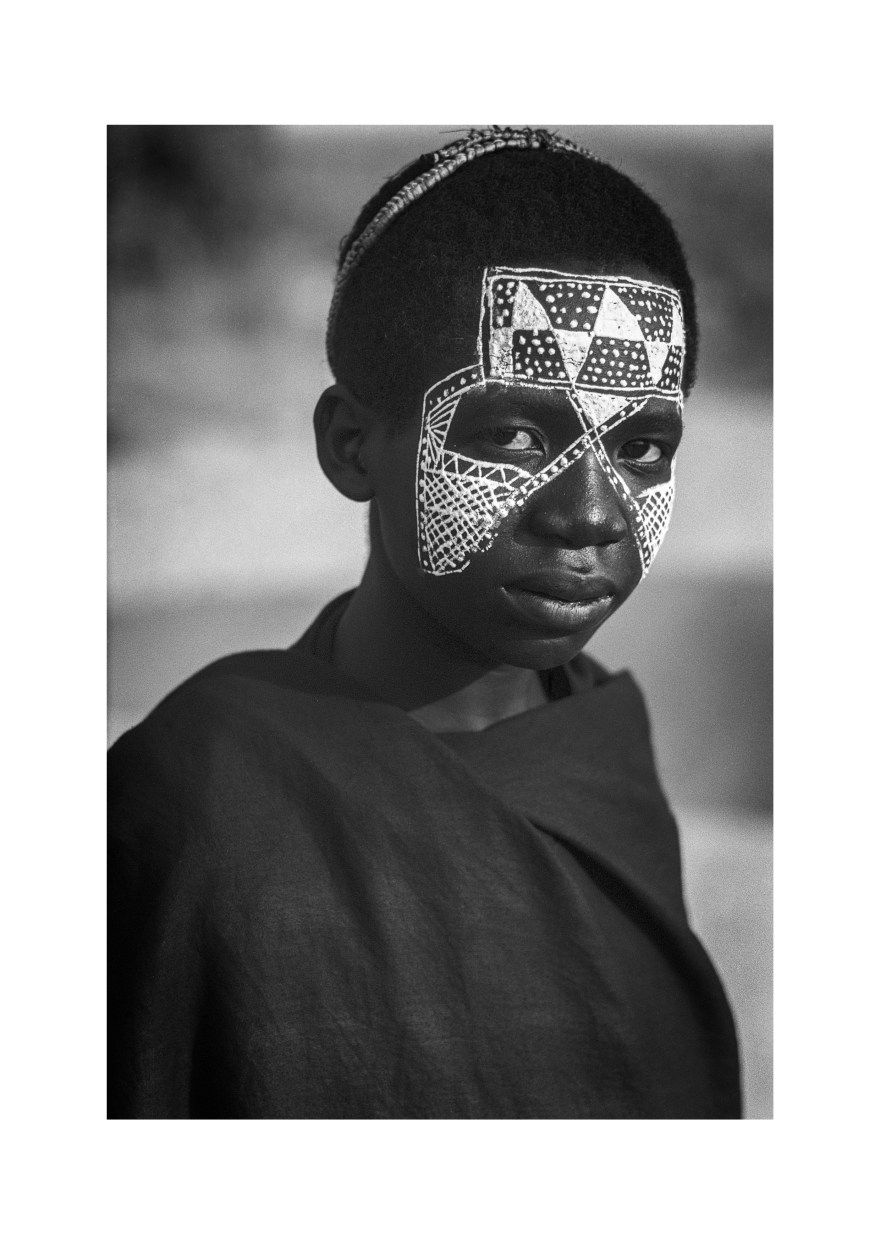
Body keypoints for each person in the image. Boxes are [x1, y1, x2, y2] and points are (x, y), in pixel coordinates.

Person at [108, 126, 741, 1118]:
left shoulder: (604, 745)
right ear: (354, 445)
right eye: (513, 434)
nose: (590, 513)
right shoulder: (194, 796)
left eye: (646, 445)